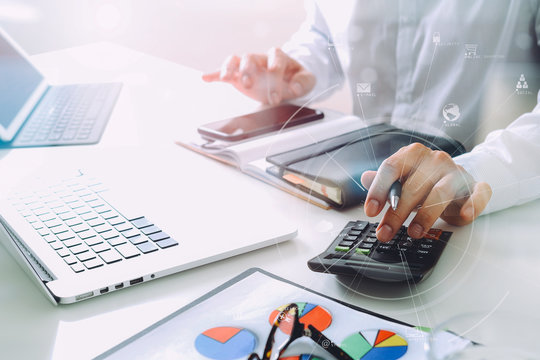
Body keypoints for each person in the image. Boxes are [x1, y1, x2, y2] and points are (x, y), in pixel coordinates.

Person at [202, 0, 540, 242]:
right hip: (357, 197)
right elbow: (324, 31)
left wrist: (477, 173)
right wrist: (300, 66)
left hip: (485, 227)